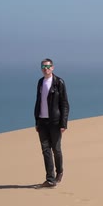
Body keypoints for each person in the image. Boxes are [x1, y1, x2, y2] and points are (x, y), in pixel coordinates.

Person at [34, 58, 69, 187]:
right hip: (42, 121)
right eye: (43, 66)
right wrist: (37, 121)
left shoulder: (59, 82)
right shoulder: (40, 82)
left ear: (53, 68)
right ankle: (50, 178)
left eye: (48, 66)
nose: (46, 69)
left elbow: (64, 104)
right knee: (45, 150)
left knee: (56, 149)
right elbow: (39, 102)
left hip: (55, 121)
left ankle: (59, 172)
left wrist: (63, 123)